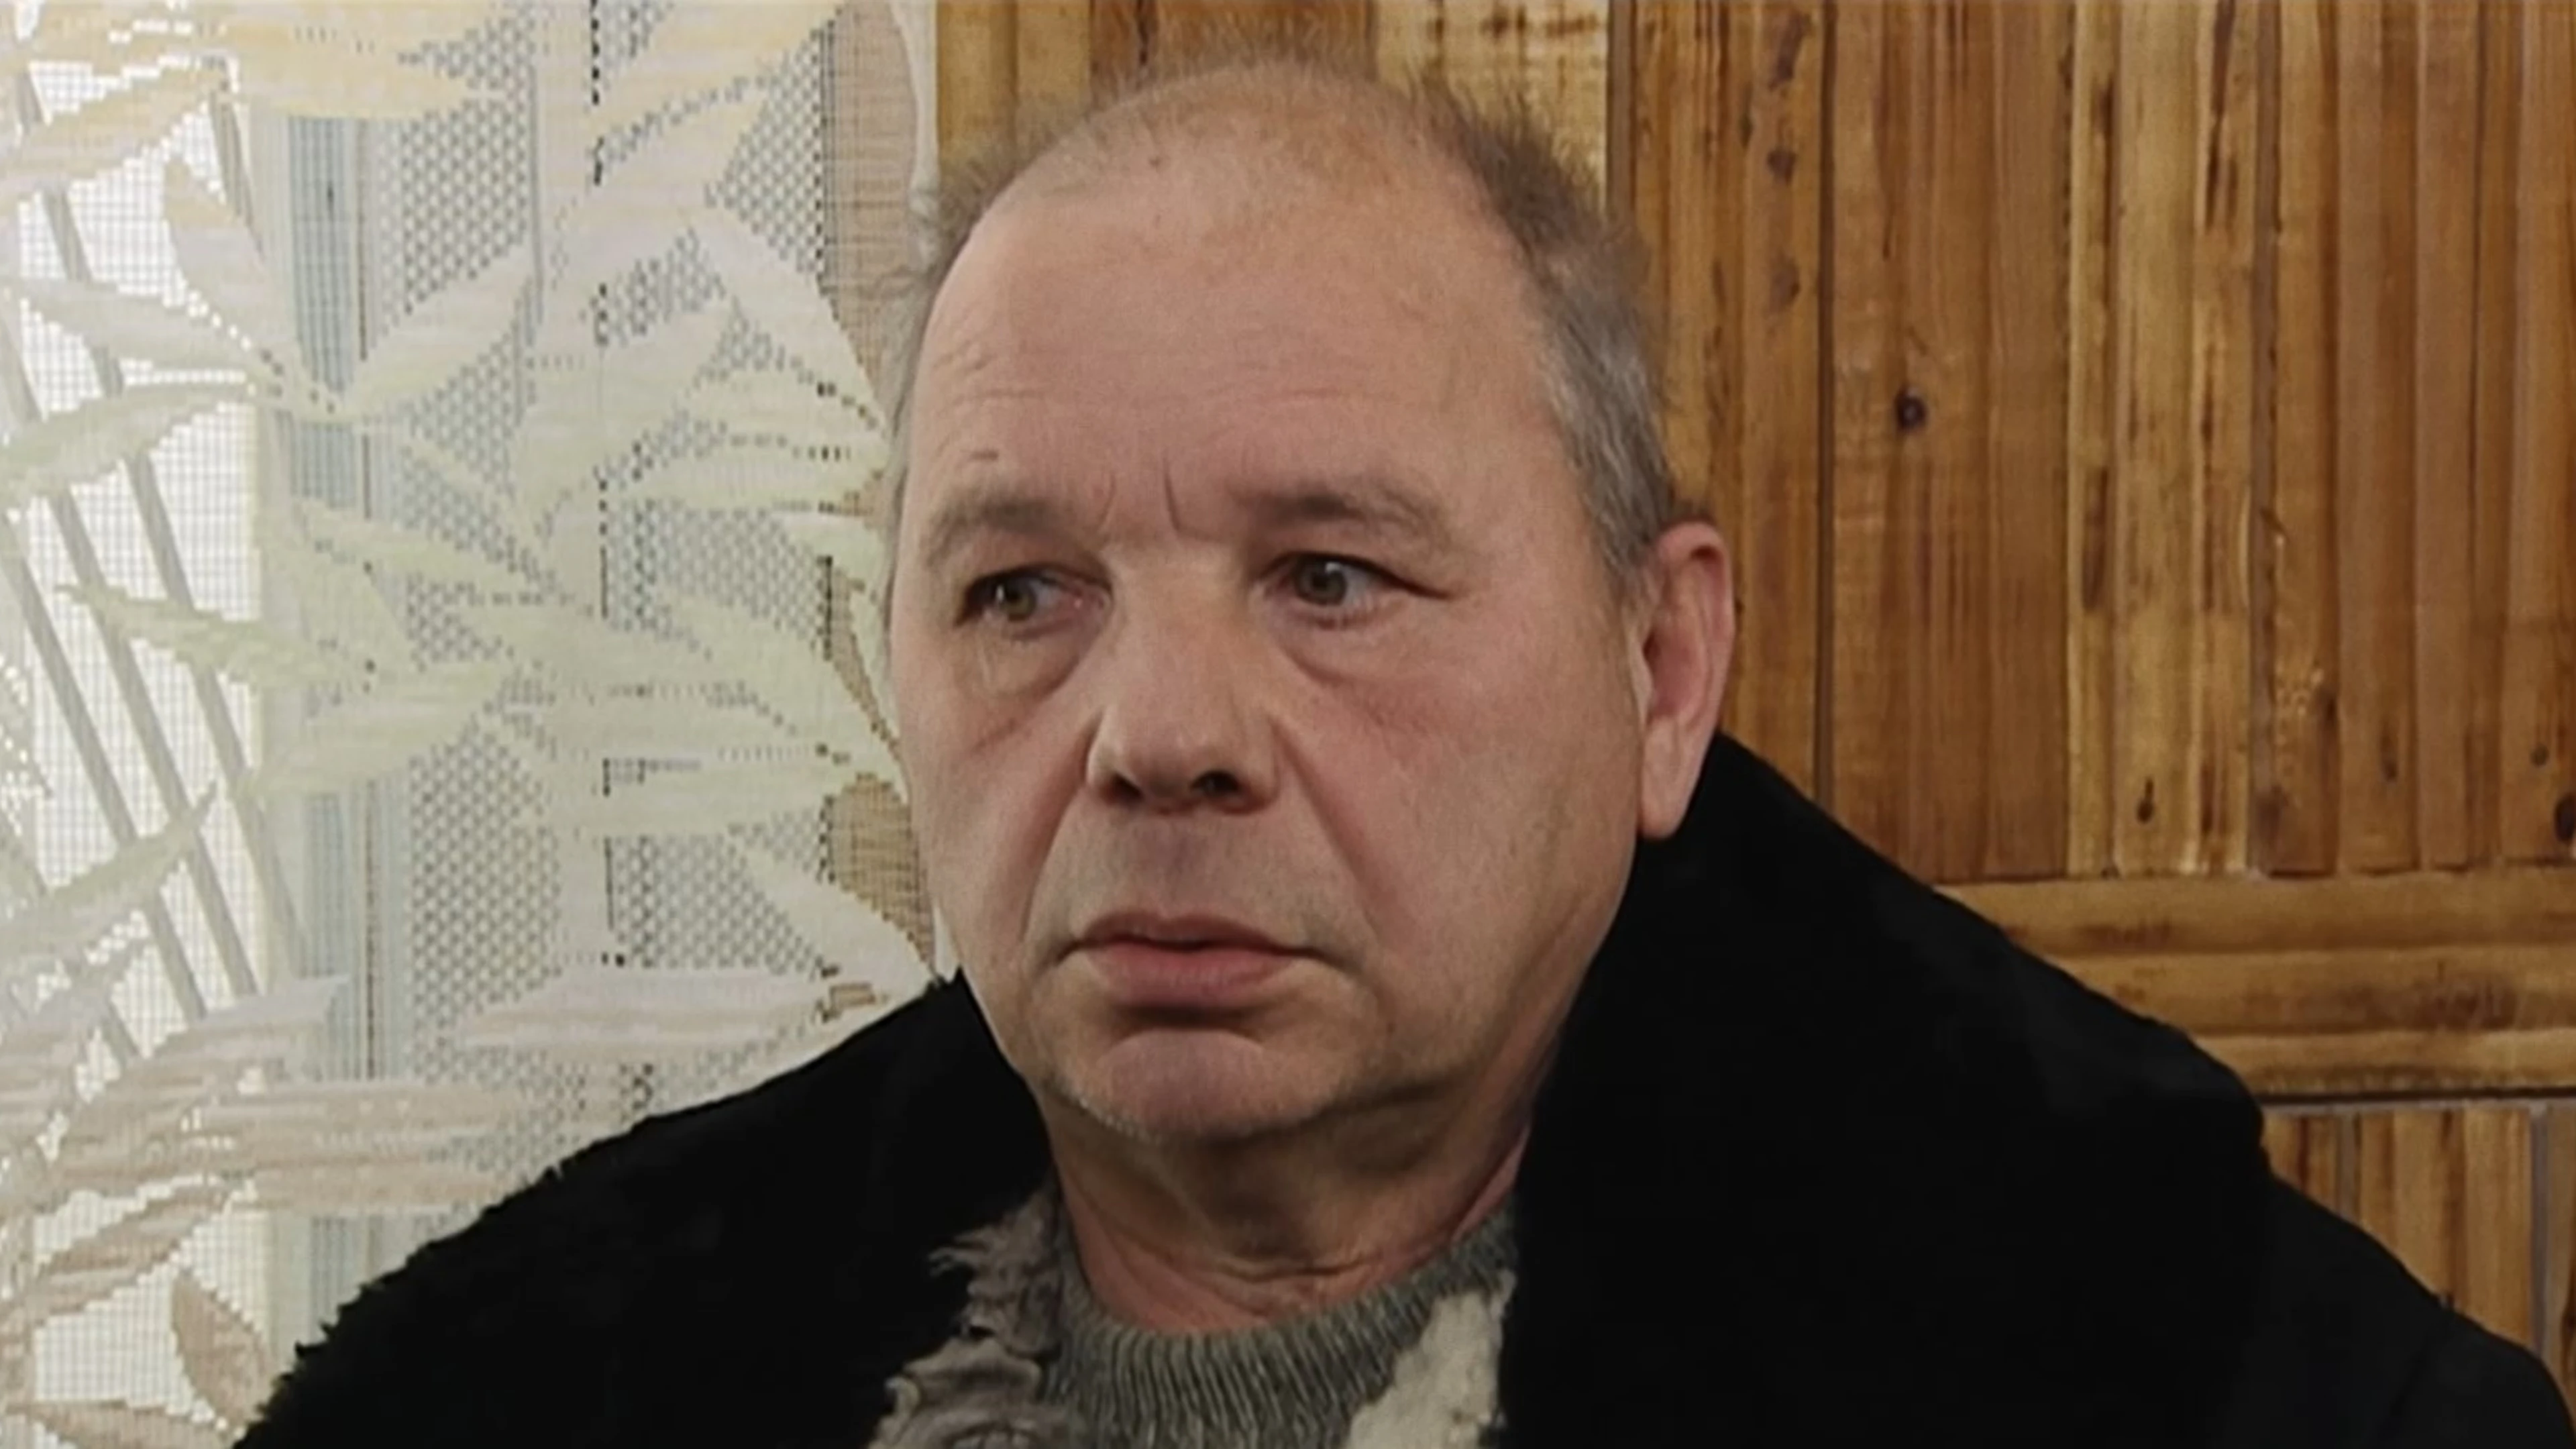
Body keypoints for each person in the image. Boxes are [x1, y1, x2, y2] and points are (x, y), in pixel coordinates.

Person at [235, 52, 2573, 1449]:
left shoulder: (2196, 1373)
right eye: (1022, 593)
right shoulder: (529, 1392)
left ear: (1661, 670)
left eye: (1331, 578)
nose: (1159, 736)